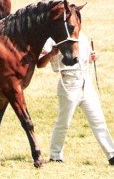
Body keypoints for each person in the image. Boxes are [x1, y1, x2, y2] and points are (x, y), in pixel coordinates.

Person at [37, 16, 114, 165]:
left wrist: (93, 57)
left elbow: (85, 58)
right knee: (64, 122)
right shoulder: (53, 40)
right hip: (68, 83)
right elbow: (40, 64)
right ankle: (55, 155)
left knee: (98, 120)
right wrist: (52, 53)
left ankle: (111, 154)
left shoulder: (81, 37)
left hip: (86, 81)